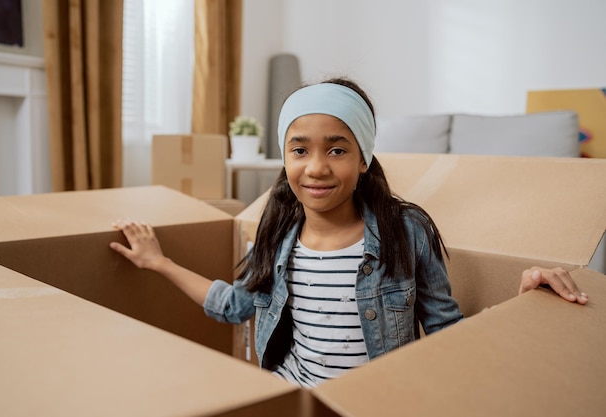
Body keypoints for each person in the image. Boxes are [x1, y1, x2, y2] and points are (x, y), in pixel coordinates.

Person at [110, 77, 588, 388]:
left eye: (337, 150)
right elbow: (236, 306)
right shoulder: (277, 237)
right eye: (300, 150)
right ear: (284, 158)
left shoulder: (406, 231)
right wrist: (159, 262)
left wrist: (523, 300)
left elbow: (447, 332)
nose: (316, 167)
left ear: (363, 159)